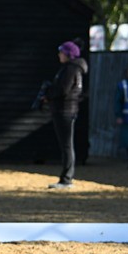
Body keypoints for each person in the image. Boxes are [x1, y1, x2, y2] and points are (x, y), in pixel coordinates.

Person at [44, 40, 86, 189]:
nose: (59, 55)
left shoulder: (70, 70)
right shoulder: (73, 69)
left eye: (61, 52)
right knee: (67, 145)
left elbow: (63, 90)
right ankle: (66, 176)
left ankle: (67, 178)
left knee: (67, 145)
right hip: (67, 110)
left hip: (65, 110)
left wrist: (49, 93)